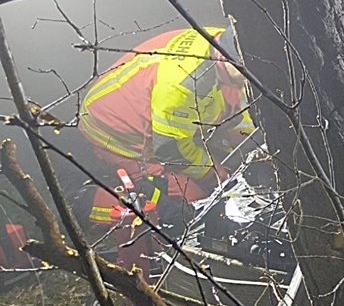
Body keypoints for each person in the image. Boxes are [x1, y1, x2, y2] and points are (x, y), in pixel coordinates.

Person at [78, 26, 254, 239]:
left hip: (162, 113)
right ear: (226, 60)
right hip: (118, 131)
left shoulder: (227, 40)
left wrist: (250, 151)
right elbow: (172, 151)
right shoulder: (183, 85)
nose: (252, 76)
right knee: (189, 205)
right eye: (246, 70)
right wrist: (218, 179)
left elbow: (238, 110)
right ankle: (91, 202)